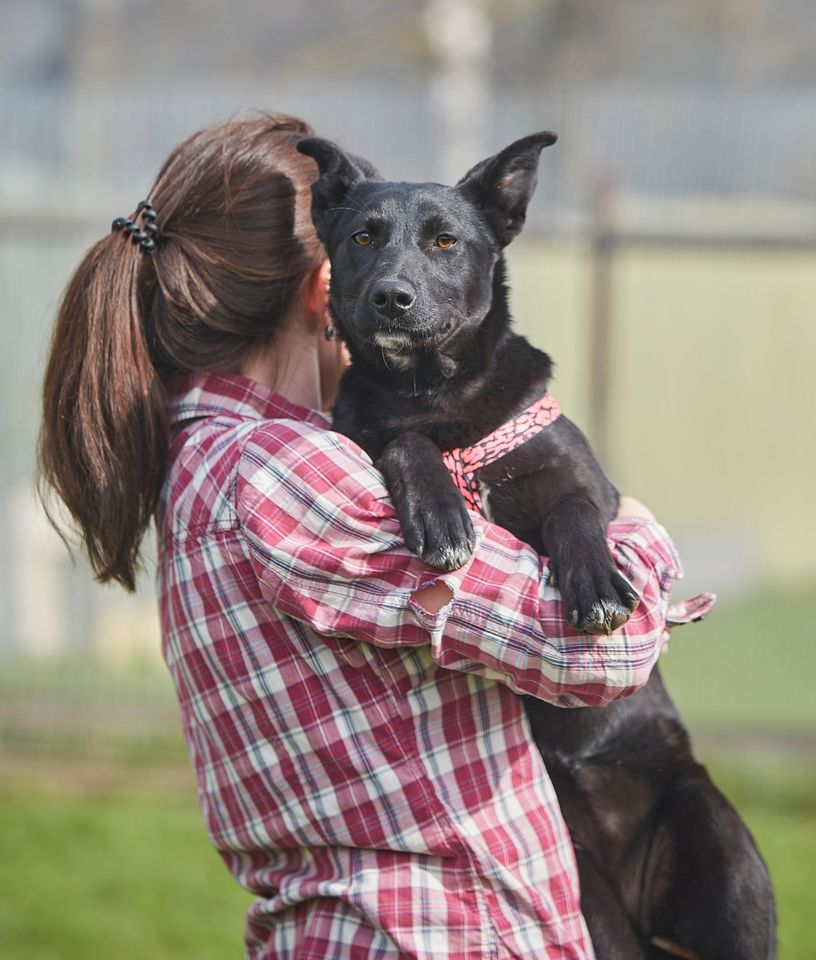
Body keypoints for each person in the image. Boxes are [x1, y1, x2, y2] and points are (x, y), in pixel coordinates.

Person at [38, 114, 701, 960]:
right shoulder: (286, 475)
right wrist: (631, 524)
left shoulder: (200, 458)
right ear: (327, 287)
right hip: (437, 934)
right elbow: (602, 652)